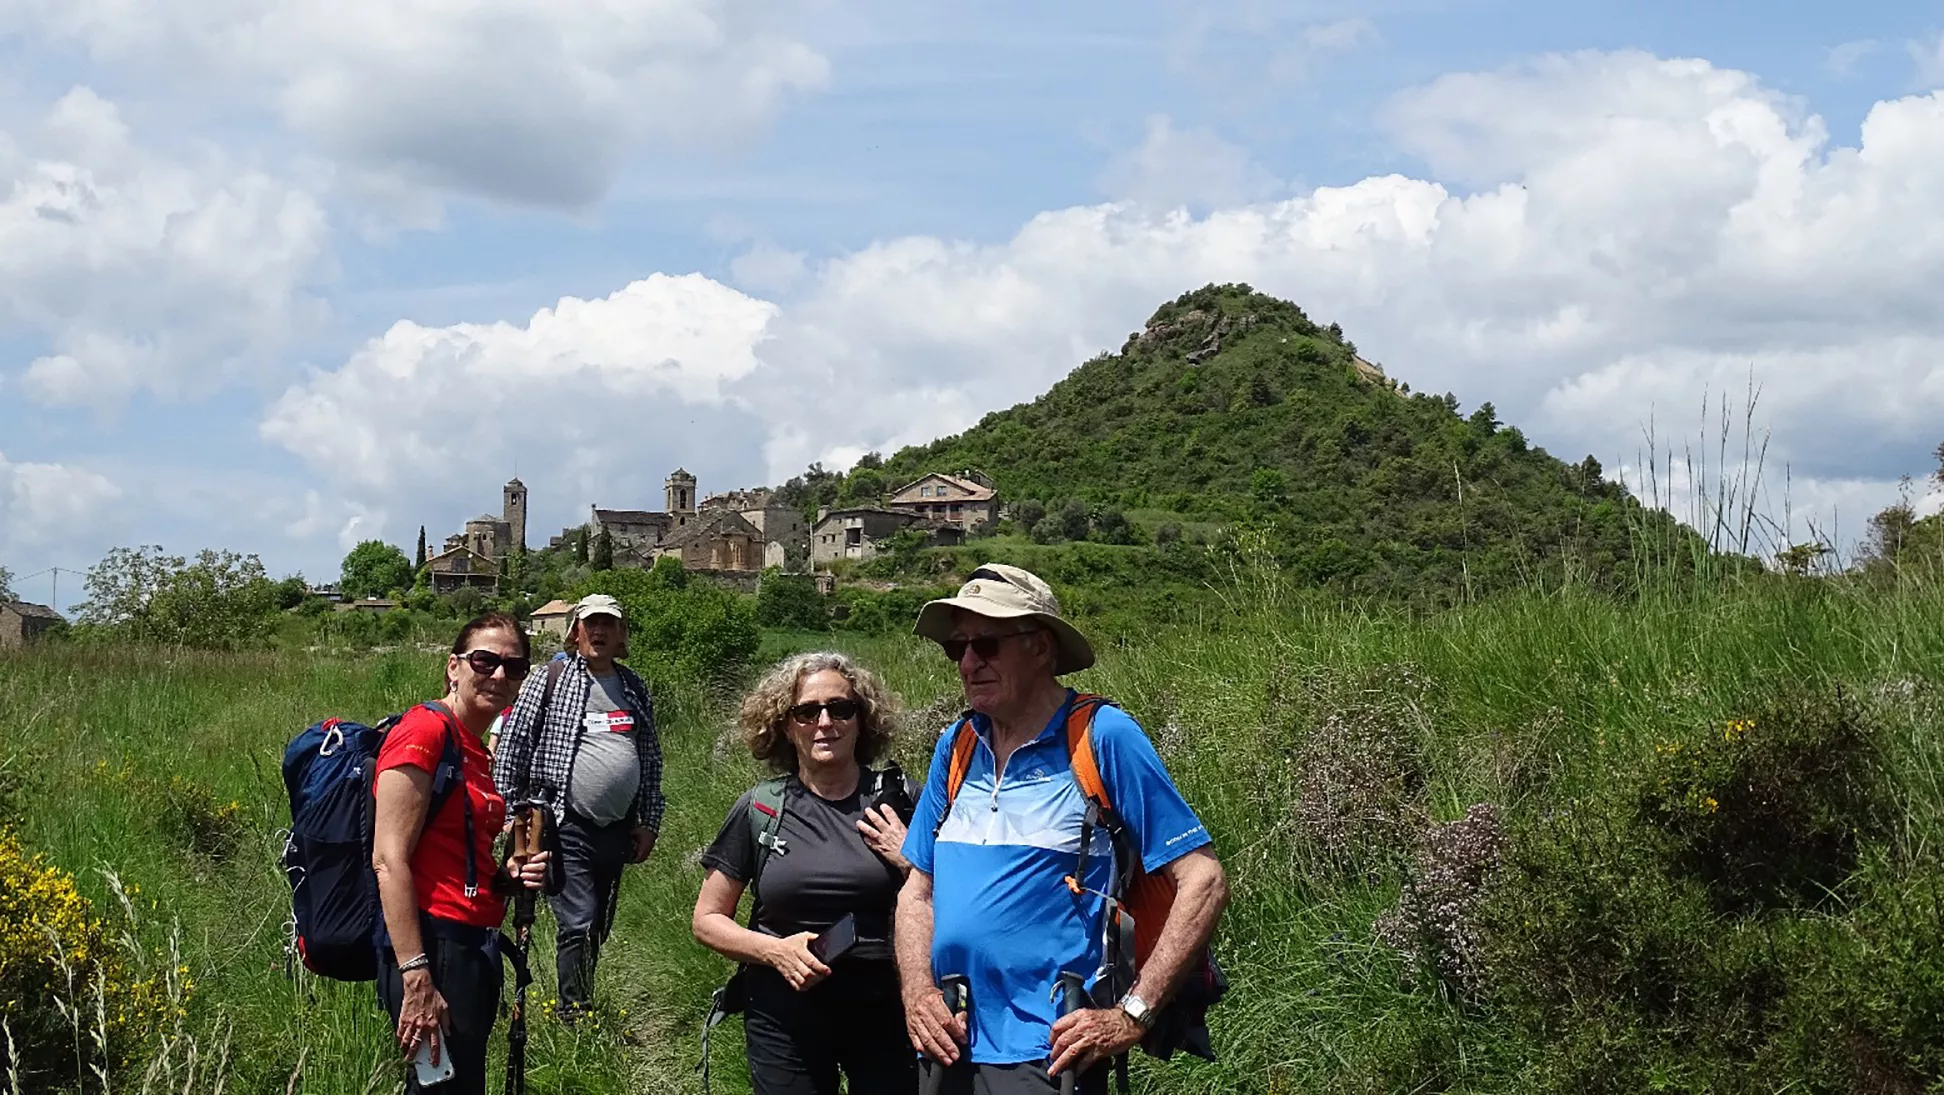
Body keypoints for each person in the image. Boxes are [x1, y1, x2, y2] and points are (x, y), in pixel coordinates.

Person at [897, 564, 1230, 1094]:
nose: (966, 662)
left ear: (1040, 648)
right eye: (955, 648)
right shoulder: (957, 746)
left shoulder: (1103, 737)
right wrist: (918, 994)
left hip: (1048, 1053)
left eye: (985, 643)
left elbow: (1203, 879)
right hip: (949, 1045)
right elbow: (917, 893)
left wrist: (1133, 1013)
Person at [693, 652, 918, 1095]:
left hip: (887, 1005)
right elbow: (706, 919)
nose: (825, 722)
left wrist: (910, 861)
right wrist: (776, 952)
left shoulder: (904, 800)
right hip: (783, 1008)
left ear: (862, 719)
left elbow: (950, 899)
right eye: (806, 711)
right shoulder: (760, 808)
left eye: (840, 708)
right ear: (784, 725)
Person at [372, 612, 552, 1094]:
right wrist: (416, 976)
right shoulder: (425, 731)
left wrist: (506, 876)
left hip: (470, 943)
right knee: (441, 1089)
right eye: (484, 661)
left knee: (459, 1084)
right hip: (432, 944)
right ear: (453, 667)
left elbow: (455, 853)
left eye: (514, 668)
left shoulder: (472, 746)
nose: (498, 675)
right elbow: (388, 858)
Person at [491, 593, 664, 1020]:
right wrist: (512, 815)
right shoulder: (550, 679)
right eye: (591, 624)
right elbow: (513, 747)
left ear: (622, 635)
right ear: (576, 632)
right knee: (580, 921)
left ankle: (578, 994)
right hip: (563, 822)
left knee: (597, 923)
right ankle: (574, 1013)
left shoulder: (632, 686)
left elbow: (650, 757)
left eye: (609, 624)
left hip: (618, 827)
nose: (600, 632)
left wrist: (648, 821)